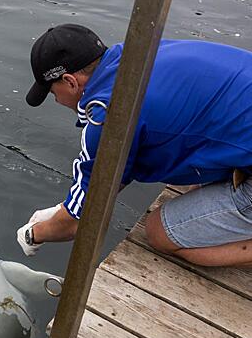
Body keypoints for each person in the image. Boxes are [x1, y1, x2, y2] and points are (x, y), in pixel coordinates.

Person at [16, 23, 252, 267]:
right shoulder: (139, 54)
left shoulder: (109, 115)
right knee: (197, 187)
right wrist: (66, 207)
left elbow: (80, 221)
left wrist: (34, 235)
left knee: (160, 232)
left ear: (70, 81)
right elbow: (113, 175)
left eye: (53, 92)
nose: (56, 101)